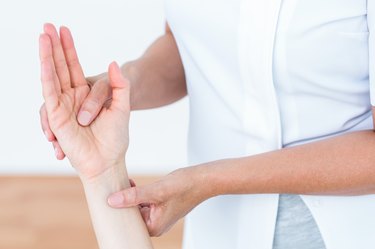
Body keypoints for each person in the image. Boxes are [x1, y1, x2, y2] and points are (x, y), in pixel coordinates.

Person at [40, 1, 375, 249]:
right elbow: (189, 44)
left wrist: (207, 181)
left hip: (337, 230)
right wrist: (120, 88)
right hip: (217, 228)